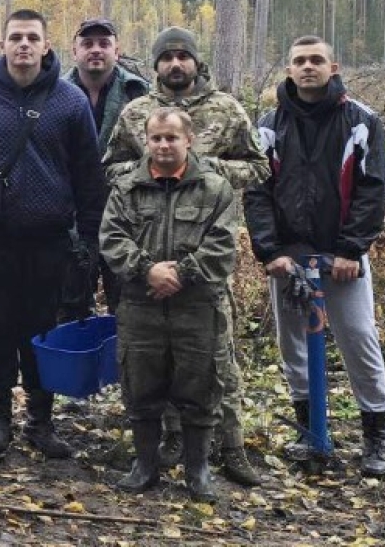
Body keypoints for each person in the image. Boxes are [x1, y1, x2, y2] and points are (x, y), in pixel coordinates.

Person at [103, 26, 269, 486]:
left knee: (215, 360)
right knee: (152, 361)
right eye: (167, 57)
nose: (176, 64)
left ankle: (231, 448)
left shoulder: (227, 109)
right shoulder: (137, 112)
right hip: (149, 248)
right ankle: (170, 445)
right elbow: (110, 167)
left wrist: (206, 169)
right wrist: (149, 170)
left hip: (205, 256)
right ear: (156, 65)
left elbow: (258, 166)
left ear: (197, 62)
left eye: (183, 57)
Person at [0, 10, 104, 458]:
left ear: (47, 45)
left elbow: (89, 175)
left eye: (33, 38)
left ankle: (41, 419)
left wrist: (89, 237)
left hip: (51, 237)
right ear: (2, 43)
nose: (24, 45)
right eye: (16, 37)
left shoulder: (70, 102)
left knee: (43, 331)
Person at [244, 36, 385, 477]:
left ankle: (375, 437)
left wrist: (351, 249)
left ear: (333, 65)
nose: (308, 67)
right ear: (289, 69)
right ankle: (311, 434)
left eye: (316, 60)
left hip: (341, 258)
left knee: (359, 339)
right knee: (294, 346)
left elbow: (372, 188)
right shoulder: (270, 124)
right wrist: (270, 252)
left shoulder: (360, 120)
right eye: (299, 61)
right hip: (288, 259)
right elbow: (257, 191)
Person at [100, 108, 238, 503]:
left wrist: (181, 274)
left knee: (201, 388)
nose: (163, 145)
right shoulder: (126, 188)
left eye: (172, 138)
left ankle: (198, 472)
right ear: (146, 141)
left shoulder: (215, 189)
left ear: (188, 140)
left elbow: (223, 244)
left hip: (197, 308)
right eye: (156, 138)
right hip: (141, 306)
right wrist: (147, 271)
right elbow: (112, 238)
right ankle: (144, 466)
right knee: (141, 387)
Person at [60, 17, 149, 320]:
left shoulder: (141, 95)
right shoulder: (55, 95)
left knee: (129, 309)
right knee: (70, 309)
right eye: (87, 44)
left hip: (129, 222)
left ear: (117, 50)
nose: (95, 50)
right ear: (75, 51)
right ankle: (76, 367)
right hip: (70, 223)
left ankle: (123, 369)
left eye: (104, 43)